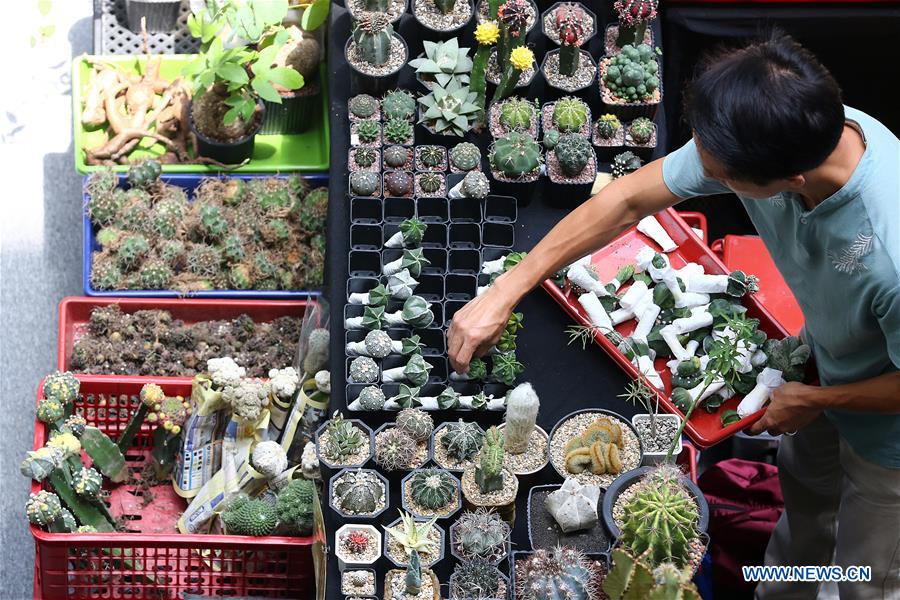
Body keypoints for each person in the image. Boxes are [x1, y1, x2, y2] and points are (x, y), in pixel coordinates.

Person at [447, 32, 900, 599]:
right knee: (805, 516)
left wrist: (819, 401)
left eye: (719, 175)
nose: (701, 174)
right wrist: (504, 290)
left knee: (867, 573)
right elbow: (629, 200)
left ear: (790, 183)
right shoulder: (782, 127)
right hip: (825, 360)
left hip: (888, 437)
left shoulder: (890, 248)